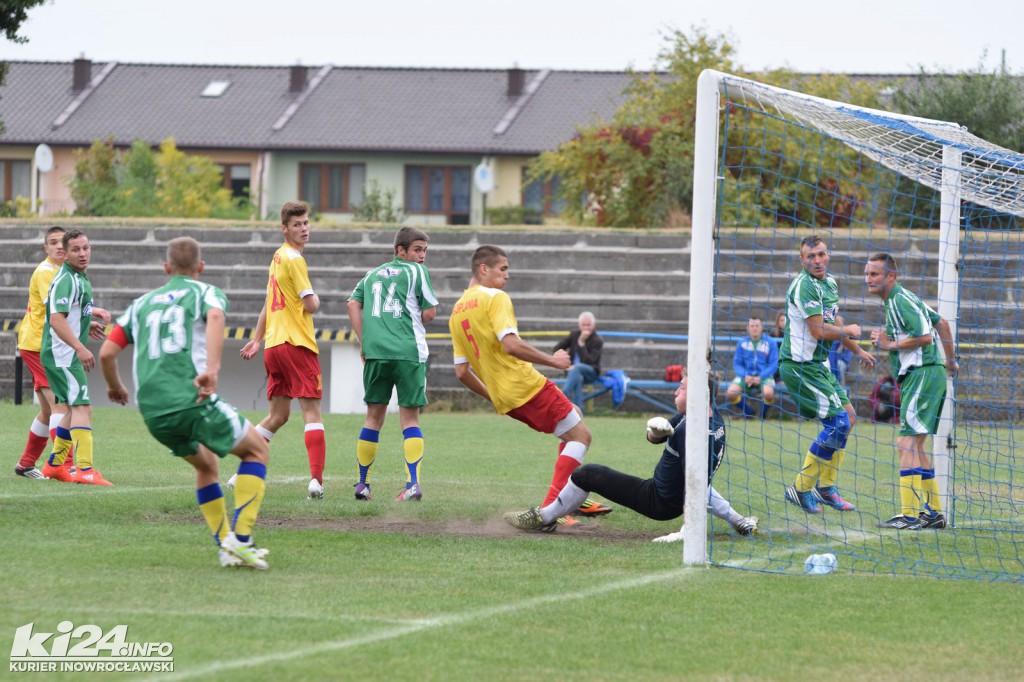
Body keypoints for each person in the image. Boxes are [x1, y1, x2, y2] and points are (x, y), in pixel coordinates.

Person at [99, 237, 271, 569]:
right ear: (200, 268)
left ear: (167, 269)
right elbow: (217, 317)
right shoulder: (203, 291)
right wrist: (212, 371)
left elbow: (107, 352)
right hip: (190, 398)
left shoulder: (141, 303)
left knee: (206, 465)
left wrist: (115, 386)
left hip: (152, 412)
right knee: (257, 451)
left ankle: (225, 546)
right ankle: (243, 541)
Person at [449, 245, 610, 524]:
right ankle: (552, 510)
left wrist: (495, 395)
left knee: (574, 418)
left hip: (506, 397)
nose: (507, 275)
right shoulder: (495, 297)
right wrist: (553, 360)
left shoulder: (457, 311)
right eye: (503, 268)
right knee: (582, 437)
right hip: (525, 385)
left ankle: (568, 498)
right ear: (483, 269)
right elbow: (510, 345)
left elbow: (462, 372)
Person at [504, 370, 757, 537]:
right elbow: (654, 440)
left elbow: (695, 485)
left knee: (587, 473)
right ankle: (737, 519)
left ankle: (544, 517)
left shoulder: (690, 431)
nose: (675, 392)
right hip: (663, 492)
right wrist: (657, 432)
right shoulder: (705, 419)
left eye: (681, 388)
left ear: (700, 394)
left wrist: (686, 531)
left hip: (658, 500)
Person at [236, 201, 327, 500]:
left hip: (274, 346)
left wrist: (257, 338)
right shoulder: (295, 260)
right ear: (284, 229)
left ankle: (241, 474)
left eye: (306, 223)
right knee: (311, 411)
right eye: (297, 225)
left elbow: (268, 302)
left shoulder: (276, 257)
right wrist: (316, 300)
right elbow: (310, 303)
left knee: (278, 415)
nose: (304, 229)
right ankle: (316, 481)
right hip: (297, 343)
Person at [779, 235, 875, 514]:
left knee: (850, 418)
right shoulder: (804, 287)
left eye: (821, 254)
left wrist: (857, 350)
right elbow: (818, 331)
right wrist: (851, 331)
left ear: (828, 254)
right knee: (838, 423)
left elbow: (835, 322)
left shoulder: (830, 282)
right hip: (799, 367)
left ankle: (826, 488)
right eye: (811, 256)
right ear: (802, 260)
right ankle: (800, 488)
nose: (817, 260)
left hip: (817, 365)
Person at [865, 253, 959, 530]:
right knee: (915, 445)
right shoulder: (902, 299)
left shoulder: (899, 299)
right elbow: (941, 323)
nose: (869, 279)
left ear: (890, 276)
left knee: (905, 444)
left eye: (875, 274)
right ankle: (934, 514)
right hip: (927, 374)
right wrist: (950, 361)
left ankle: (909, 515)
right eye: (868, 274)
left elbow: (927, 336)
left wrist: (888, 345)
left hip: (921, 375)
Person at [347, 226, 439, 501]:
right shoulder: (417, 272)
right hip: (409, 352)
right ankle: (412, 484)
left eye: (425, 251)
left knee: (374, 416)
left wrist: (365, 340)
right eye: (417, 250)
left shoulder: (371, 274)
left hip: (376, 353)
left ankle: (363, 484)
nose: (422, 256)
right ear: (401, 250)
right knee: (409, 418)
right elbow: (430, 313)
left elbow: (352, 303)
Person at [39, 228, 112, 485]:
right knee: (82, 408)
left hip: (64, 354)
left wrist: (88, 320)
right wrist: (80, 347)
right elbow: (56, 318)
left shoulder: (79, 277)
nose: (82, 253)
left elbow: (72, 309)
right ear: (65, 254)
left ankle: (54, 466)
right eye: (76, 250)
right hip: (63, 355)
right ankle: (85, 470)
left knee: (74, 409)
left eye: (86, 248)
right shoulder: (66, 278)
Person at [13, 226, 74, 479]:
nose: (59, 246)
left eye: (63, 242)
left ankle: (26, 464)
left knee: (49, 410)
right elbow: (57, 311)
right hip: (40, 346)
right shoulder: (47, 272)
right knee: (61, 404)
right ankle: (64, 464)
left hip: (39, 344)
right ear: (46, 248)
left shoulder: (62, 272)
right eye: (53, 242)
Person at [725, 316, 778, 417]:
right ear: (747, 328)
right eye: (752, 326)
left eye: (757, 326)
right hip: (745, 376)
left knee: (768, 393)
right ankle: (749, 412)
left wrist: (761, 376)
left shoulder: (770, 342)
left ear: (762, 327)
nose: (754, 328)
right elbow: (737, 363)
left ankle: (763, 415)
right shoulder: (742, 343)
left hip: (764, 376)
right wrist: (745, 375)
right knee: (731, 393)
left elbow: (774, 364)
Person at [552, 311, 603, 410]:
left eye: (588, 325)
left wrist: (581, 343)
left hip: (591, 373)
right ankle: (579, 413)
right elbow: (557, 348)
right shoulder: (574, 335)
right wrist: (565, 363)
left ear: (593, 325)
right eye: (584, 325)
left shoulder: (597, 340)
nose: (586, 328)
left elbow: (590, 361)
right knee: (577, 377)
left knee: (578, 368)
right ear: (580, 325)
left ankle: (562, 397)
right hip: (572, 372)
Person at [827, 315, 854, 388]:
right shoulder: (827, 334)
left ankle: (841, 388)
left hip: (835, 361)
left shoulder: (842, 337)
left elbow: (848, 354)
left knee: (840, 365)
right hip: (826, 359)